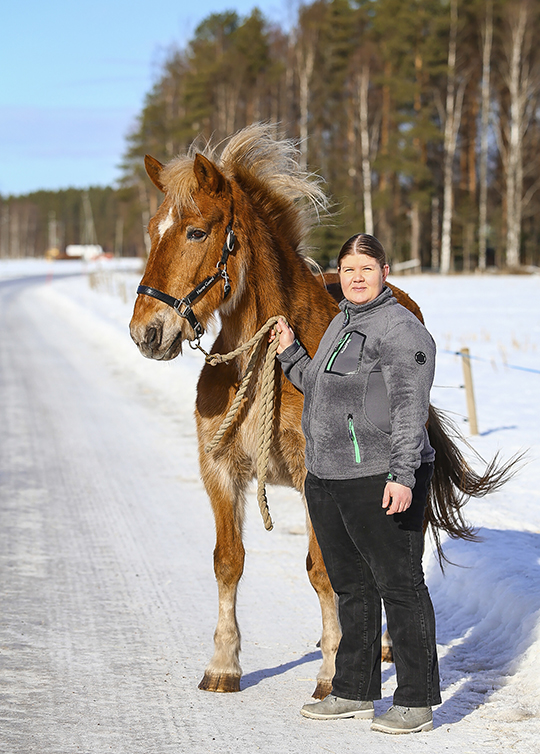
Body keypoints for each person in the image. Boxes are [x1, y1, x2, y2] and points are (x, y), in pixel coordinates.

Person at [272, 234, 441, 735]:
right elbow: (320, 387)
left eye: (367, 268)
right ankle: (353, 690)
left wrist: (403, 475)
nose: (357, 277)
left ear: (385, 271)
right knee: (352, 586)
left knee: (400, 587)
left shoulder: (401, 331)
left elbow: (412, 411)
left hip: (381, 476)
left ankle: (415, 700)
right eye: (349, 269)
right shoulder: (340, 322)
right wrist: (290, 353)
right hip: (328, 476)